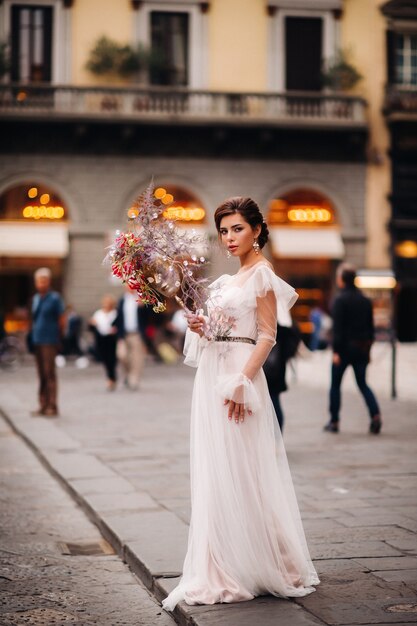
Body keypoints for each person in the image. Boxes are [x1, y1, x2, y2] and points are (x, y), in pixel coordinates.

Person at [162, 197, 319, 611]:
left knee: (243, 468)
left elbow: (267, 335)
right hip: (212, 374)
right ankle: (223, 558)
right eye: (224, 231)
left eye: (237, 229)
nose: (229, 238)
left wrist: (240, 382)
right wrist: (201, 326)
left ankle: (257, 560)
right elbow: (219, 332)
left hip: (237, 376)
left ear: (257, 230)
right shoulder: (229, 280)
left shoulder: (262, 275)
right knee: (218, 468)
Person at [324, 263, 382, 434]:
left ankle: (334, 421)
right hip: (361, 348)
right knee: (363, 384)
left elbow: (338, 329)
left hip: (343, 350)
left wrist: (335, 351)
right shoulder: (365, 300)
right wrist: (369, 350)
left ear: (342, 280)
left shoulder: (339, 300)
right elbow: (371, 329)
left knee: (335, 386)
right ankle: (375, 415)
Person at [30, 267, 65, 417]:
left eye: (43, 281)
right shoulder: (36, 298)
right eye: (38, 281)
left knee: (49, 373)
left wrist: (60, 337)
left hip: (50, 340)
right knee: (41, 374)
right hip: (37, 340)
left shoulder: (55, 298)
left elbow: (62, 319)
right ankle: (43, 404)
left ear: (48, 281)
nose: (41, 284)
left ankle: (52, 405)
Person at [263, 320, 300, 432]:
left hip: (270, 370)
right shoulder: (286, 327)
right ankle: (277, 439)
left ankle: (277, 438)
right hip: (277, 369)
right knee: (275, 401)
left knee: (274, 402)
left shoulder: (279, 326)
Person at [114, 286, 147, 390]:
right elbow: (119, 318)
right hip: (124, 334)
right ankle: (128, 374)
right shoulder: (122, 300)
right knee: (122, 355)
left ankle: (134, 379)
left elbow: (148, 317)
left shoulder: (141, 299)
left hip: (136, 334)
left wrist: (144, 306)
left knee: (136, 358)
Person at [89, 295, 118, 391]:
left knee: (111, 359)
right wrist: (92, 324)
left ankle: (111, 378)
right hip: (101, 338)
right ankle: (111, 377)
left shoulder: (115, 313)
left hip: (111, 339)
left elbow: (118, 325)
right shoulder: (99, 313)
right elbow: (92, 326)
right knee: (105, 359)